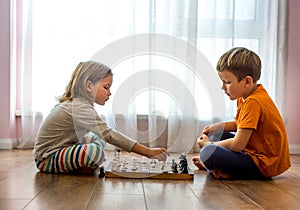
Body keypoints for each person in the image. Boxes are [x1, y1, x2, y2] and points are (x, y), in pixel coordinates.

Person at [33, 61, 169, 174]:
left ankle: (80, 164)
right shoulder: (79, 107)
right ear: (89, 85)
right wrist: (147, 152)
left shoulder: (81, 105)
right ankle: (81, 163)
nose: (109, 93)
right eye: (106, 87)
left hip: (63, 149)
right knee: (96, 151)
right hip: (47, 158)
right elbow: (109, 134)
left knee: (96, 138)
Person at [192, 47, 290, 179]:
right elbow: (242, 124)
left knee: (208, 151)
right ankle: (219, 167)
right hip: (252, 153)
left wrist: (208, 145)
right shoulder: (246, 96)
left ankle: (222, 169)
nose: (222, 87)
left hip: (263, 164)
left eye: (227, 82)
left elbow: (237, 145)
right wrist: (218, 127)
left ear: (247, 81)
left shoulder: (253, 102)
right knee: (216, 135)